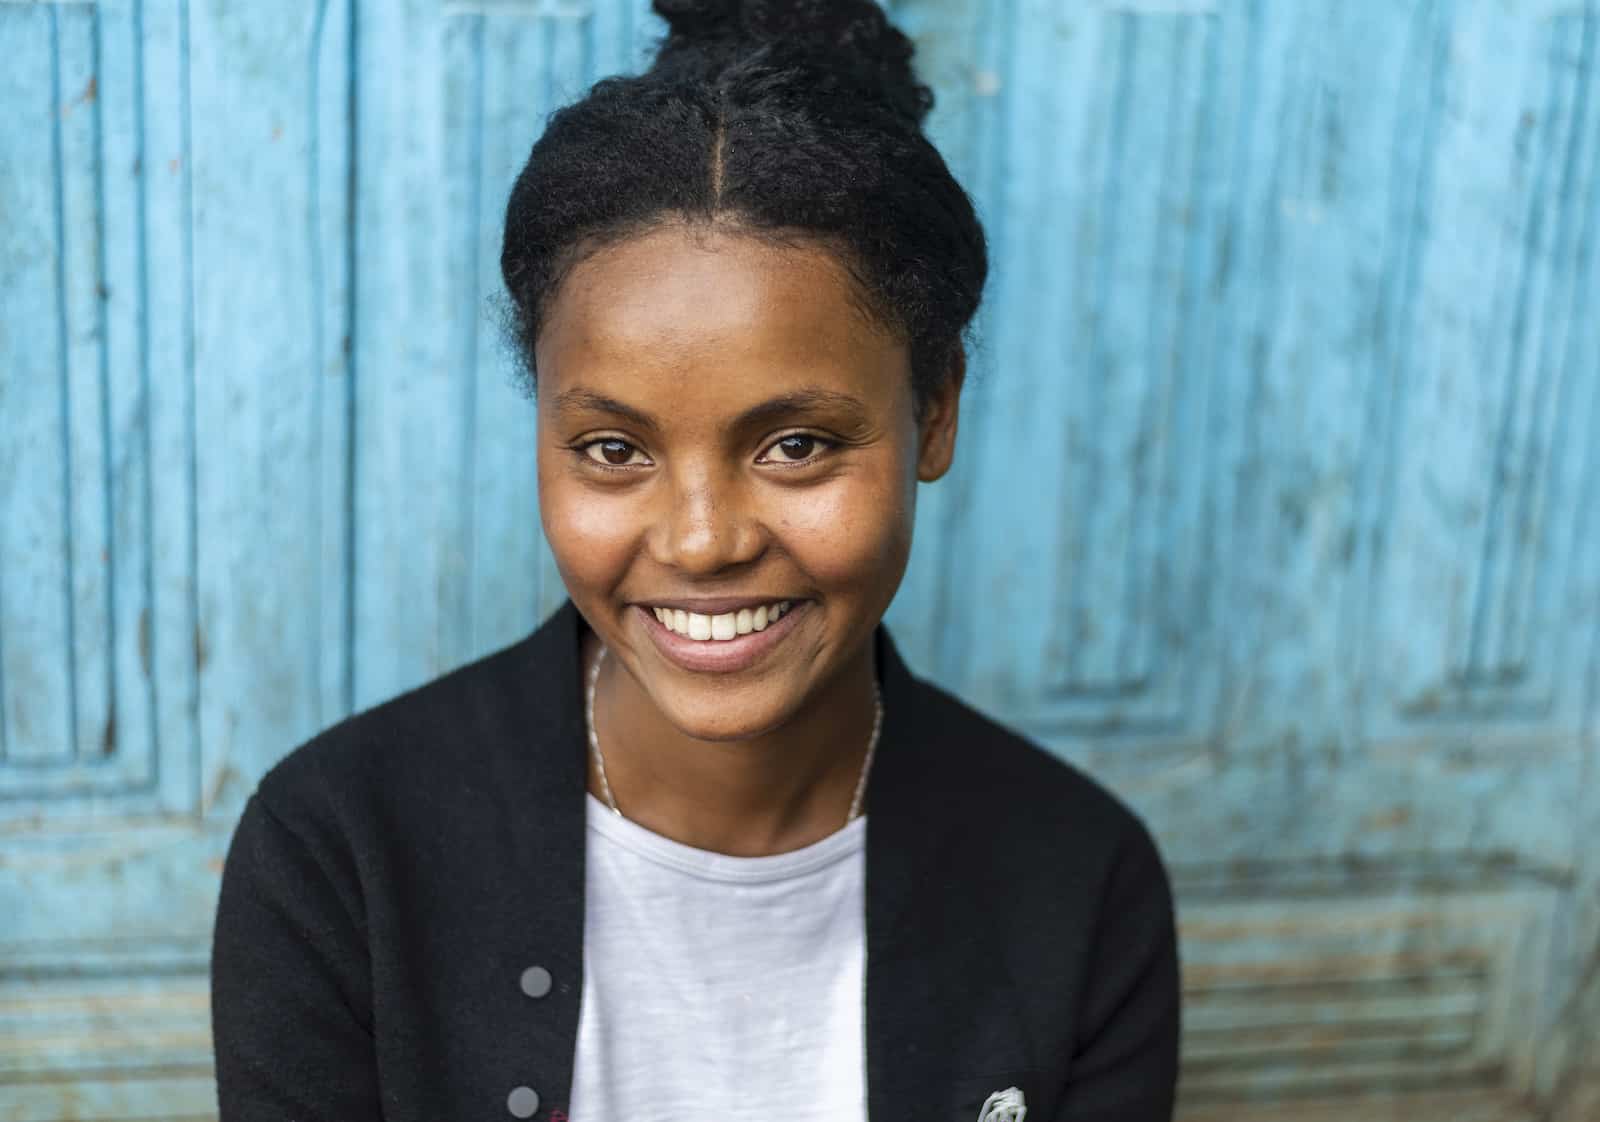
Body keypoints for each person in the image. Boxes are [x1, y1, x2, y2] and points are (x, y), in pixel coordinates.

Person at [209, 1, 1180, 1119]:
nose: (703, 540)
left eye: (797, 445)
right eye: (612, 449)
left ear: (937, 407)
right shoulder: (341, 855)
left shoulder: (1078, 882)